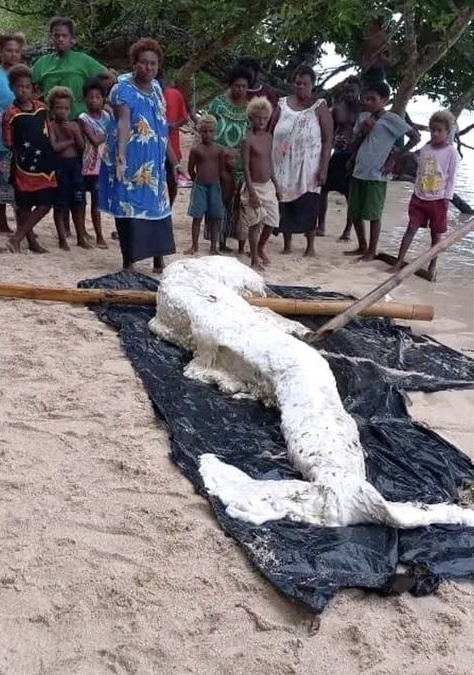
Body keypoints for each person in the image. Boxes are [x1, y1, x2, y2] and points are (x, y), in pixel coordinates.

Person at [99, 38, 176, 273]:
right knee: (129, 207)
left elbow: (161, 126)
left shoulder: (157, 90)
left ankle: (158, 258)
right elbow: (123, 122)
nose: (148, 68)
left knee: (157, 207)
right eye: (143, 63)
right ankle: (129, 261)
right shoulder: (123, 88)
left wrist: (174, 161)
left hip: (154, 159)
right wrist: (121, 157)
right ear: (134, 63)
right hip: (131, 158)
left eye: (153, 63)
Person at [346, 81, 420, 261]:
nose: (368, 102)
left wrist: (395, 157)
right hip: (359, 170)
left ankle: (372, 250)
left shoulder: (391, 119)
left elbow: (415, 137)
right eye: (366, 98)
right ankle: (362, 245)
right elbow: (353, 144)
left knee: (373, 213)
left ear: (384, 100)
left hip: (376, 173)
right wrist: (362, 132)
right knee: (354, 211)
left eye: (373, 99)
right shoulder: (364, 117)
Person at [390, 111, 459, 281]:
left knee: (436, 234)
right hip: (419, 196)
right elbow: (420, 172)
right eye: (433, 130)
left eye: (439, 131)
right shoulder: (426, 149)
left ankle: (432, 265)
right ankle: (398, 262)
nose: (435, 133)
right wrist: (415, 190)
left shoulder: (451, 152)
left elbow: (451, 178)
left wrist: (446, 199)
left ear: (447, 132)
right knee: (411, 228)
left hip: (438, 199)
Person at [272, 65, 333, 256]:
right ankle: (287, 244)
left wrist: (324, 167)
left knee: (309, 203)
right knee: (284, 201)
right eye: (297, 83)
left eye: (305, 84)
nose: (300, 87)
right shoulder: (282, 104)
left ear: (312, 85)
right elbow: (269, 129)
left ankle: (310, 246)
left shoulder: (319, 106)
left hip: (309, 165)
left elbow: (327, 138)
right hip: (283, 165)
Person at [2, 65, 57, 253]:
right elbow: (9, 141)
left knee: (45, 204)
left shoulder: (41, 108)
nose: (23, 90)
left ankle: (17, 237)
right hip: (24, 166)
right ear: (12, 88)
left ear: (33, 87)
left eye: (27, 86)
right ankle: (30, 242)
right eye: (19, 87)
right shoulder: (11, 114)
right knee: (24, 206)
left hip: (45, 164)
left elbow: (47, 131)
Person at [31, 16, 114, 120]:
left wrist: (94, 96)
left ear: (71, 37)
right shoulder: (42, 63)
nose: (60, 39)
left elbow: (110, 77)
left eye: (64, 35)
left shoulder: (83, 60)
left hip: (79, 120)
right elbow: (24, 82)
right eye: (57, 35)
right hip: (50, 122)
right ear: (51, 37)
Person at [208, 65, 251, 252]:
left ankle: (234, 240)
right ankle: (217, 241)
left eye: (243, 86)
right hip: (218, 162)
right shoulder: (218, 104)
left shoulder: (251, 108)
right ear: (231, 85)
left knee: (236, 205)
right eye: (236, 85)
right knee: (218, 201)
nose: (240, 89)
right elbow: (207, 130)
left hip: (241, 164)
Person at [48, 86, 92, 250]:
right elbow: (54, 147)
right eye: (58, 108)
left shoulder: (74, 125)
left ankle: (81, 236)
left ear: (70, 109)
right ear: (52, 109)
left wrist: (74, 134)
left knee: (79, 204)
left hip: (75, 166)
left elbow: (82, 148)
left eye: (65, 108)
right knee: (60, 205)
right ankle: (62, 238)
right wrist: (69, 140)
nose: (62, 111)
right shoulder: (51, 125)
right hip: (60, 168)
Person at [316, 76, 361, 240]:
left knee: (351, 196)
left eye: (352, 91)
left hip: (354, 156)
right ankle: (321, 226)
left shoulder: (363, 111)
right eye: (347, 91)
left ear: (358, 92)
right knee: (324, 189)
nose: (349, 94)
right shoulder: (337, 109)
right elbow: (328, 134)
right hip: (338, 154)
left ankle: (347, 231)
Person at [240, 97, 280, 269]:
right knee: (255, 223)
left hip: (268, 185)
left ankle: (261, 247)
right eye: (259, 118)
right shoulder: (247, 140)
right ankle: (254, 258)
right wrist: (252, 192)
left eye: (265, 118)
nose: (262, 121)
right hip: (253, 186)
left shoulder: (269, 137)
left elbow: (270, 163)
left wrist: (276, 185)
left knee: (273, 220)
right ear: (251, 117)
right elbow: (246, 169)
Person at [185, 115, 224, 255]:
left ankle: (214, 247)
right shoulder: (196, 149)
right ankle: (194, 246)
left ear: (215, 132)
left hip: (214, 186)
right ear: (200, 132)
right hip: (200, 186)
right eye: (204, 131)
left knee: (215, 217)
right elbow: (190, 168)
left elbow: (221, 169)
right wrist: (197, 180)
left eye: (211, 131)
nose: (207, 134)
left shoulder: (219, 150)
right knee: (197, 216)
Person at [78, 78, 110, 248]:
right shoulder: (83, 118)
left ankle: (99, 235)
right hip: (87, 165)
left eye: (98, 97)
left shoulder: (106, 116)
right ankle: (82, 231)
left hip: (102, 165)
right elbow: (95, 140)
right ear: (85, 99)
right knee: (82, 201)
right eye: (91, 97)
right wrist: (111, 132)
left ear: (103, 98)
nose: (94, 100)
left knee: (97, 202)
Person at [0, 32, 25, 233]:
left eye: (17, 51)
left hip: (22, 138)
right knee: (3, 180)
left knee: (21, 180)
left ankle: (23, 222)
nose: (13, 54)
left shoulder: (23, 76)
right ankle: (2, 221)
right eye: (9, 50)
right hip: (1, 139)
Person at [162, 81, 190, 195]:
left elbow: (184, 118)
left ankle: (169, 208)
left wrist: (172, 125)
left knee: (172, 181)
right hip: (153, 148)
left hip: (172, 146)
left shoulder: (175, 94)